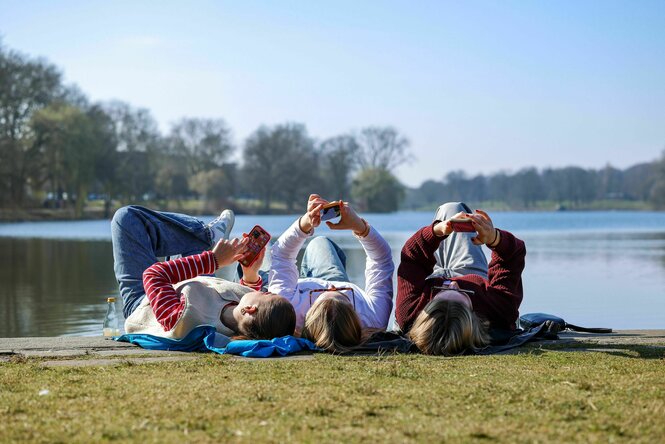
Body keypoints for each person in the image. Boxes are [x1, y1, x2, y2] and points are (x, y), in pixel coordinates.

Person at [111, 205, 296, 344]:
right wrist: (250, 274)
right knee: (192, 245)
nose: (265, 289)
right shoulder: (239, 318)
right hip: (196, 286)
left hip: (145, 302)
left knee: (126, 218)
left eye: (266, 293)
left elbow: (153, 276)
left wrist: (214, 260)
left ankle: (207, 235)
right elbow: (244, 295)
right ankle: (205, 239)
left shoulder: (183, 319)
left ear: (250, 309)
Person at [396, 202, 526, 355]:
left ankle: (449, 291)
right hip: (472, 273)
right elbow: (512, 257)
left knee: (449, 214)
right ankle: (453, 291)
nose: (453, 283)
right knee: (453, 209)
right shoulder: (498, 311)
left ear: (428, 306)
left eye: (443, 290)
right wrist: (494, 238)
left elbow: (412, 257)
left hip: (433, 277)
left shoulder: (410, 313)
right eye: (462, 291)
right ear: (475, 314)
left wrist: (437, 231)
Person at [268, 194, 394, 353]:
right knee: (321, 242)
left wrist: (305, 223)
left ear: (309, 314)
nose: (333, 287)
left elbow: (281, 255)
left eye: (324, 293)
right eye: (344, 295)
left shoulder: (287, 310)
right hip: (327, 278)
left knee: (263, 275)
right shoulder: (373, 320)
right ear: (355, 319)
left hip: (294, 291)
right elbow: (381, 260)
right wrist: (360, 228)